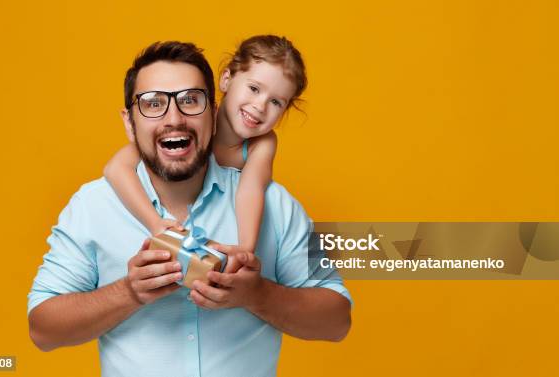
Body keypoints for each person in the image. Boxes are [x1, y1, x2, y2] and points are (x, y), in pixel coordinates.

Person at [28, 41, 351, 377]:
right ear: (129, 122)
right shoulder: (93, 206)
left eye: (190, 101)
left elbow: (337, 320)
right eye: (153, 104)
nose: (174, 119)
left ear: (213, 112)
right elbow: (43, 329)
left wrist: (256, 293)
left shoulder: (277, 205)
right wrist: (128, 292)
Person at [104, 35, 306, 273]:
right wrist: (155, 223)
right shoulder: (190, 122)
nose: (260, 106)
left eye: (276, 102)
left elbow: (251, 188)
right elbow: (115, 168)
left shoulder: (262, 143)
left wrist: (246, 249)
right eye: (253, 89)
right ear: (226, 79)